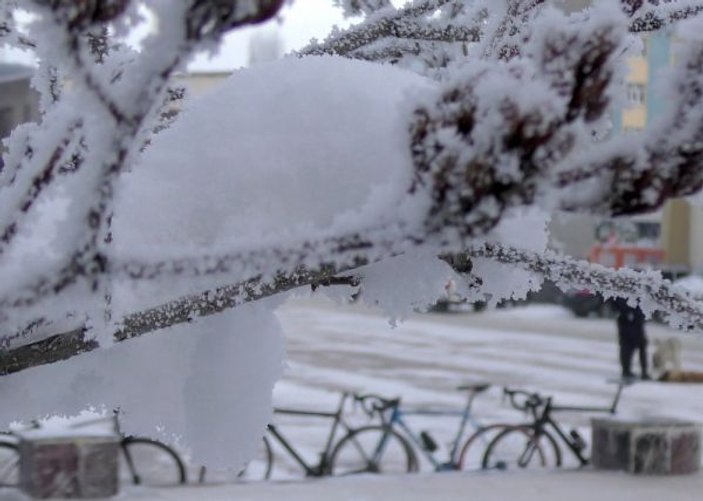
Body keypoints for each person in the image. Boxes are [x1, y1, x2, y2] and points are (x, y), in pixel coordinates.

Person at [613, 297, 650, 380]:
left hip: (635, 319)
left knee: (640, 346)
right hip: (626, 319)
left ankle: (641, 371)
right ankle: (627, 371)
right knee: (627, 347)